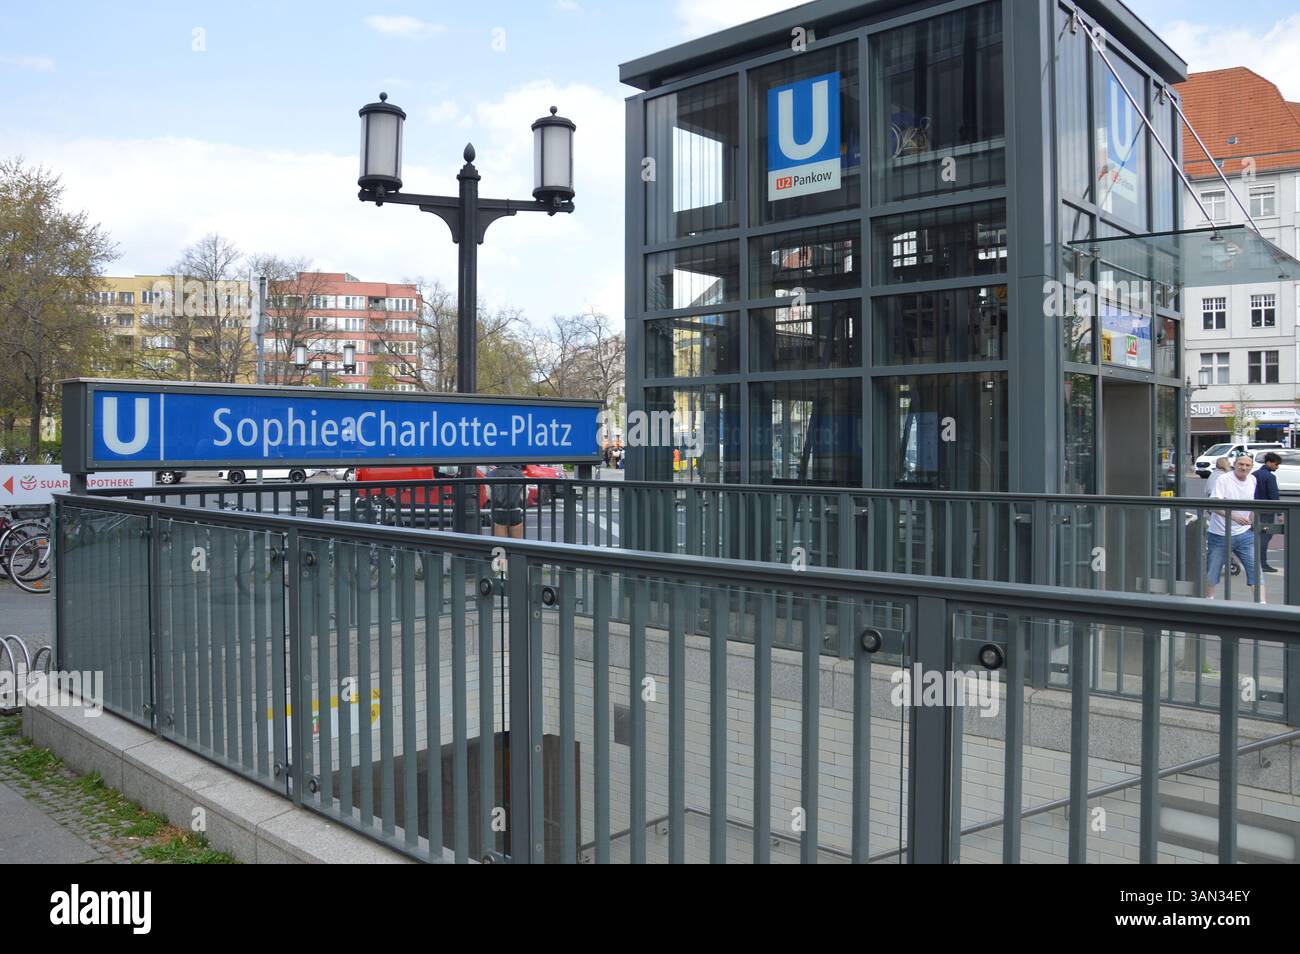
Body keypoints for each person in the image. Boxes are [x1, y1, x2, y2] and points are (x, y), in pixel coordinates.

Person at [1205, 454, 1259, 599]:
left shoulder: (1253, 480)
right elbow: (1214, 505)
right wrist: (1234, 516)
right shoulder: (1223, 479)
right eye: (1241, 464)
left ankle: (1262, 605)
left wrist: (1253, 518)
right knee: (1212, 572)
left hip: (1245, 534)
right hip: (1220, 534)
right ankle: (1208, 605)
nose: (1244, 467)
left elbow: (1252, 504)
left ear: (1251, 467)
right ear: (1234, 464)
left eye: (1247, 465)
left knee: (1256, 571)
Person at [1254, 451, 1282, 573]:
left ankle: (1255, 562)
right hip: (1267, 511)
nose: (1277, 467)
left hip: (1255, 510)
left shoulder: (1254, 474)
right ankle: (1262, 564)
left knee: (1256, 537)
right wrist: (1280, 514)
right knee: (1265, 537)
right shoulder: (1270, 477)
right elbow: (1274, 496)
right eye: (1276, 464)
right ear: (1269, 462)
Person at [487, 463, 526, 538]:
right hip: (515, 510)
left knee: (501, 545)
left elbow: (488, 494)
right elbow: (525, 495)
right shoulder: (519, 474)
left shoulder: (491, 474)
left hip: (499, 512)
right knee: (517, 544)